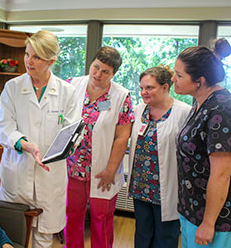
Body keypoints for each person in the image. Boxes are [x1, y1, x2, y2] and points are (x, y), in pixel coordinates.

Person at [0, 30, 79, 248]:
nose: (28, 61)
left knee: (44, 236)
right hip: (18, 170)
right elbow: (4, 126)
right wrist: (26, 145)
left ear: (51, 60)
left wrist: (61, 149)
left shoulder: (67, 92)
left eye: (36, 57)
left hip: (49, 175)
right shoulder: (12, 88)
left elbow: (72, 132)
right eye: (27, 54)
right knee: (14, 233)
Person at [64, 46, 134, 248]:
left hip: (103, 171)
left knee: (101, 220)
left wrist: (111, 170)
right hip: (72, 167)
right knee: (72, 217)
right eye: (96, 67)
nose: (98, 74)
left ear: (113, 74)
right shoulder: (72, 85)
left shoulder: (122, 96)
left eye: (106, 72)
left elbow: (122, 137)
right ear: (91, 63)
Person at [172, 42, 231, 247]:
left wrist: (208, 222)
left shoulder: (221, 109)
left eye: (179, 75)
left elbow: (222, 174)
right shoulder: (199, 103)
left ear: (200, 80)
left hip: (214, 219)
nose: (173, 80)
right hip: (192, 209)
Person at [127, 66, 191, 248]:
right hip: (140, 187)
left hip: (167, 188)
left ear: (165, 87)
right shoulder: (139, 110)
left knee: (165, 238)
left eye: (149, 88)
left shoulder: (183, 112)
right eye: (141, 88)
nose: (143, 93)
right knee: (142, 234)